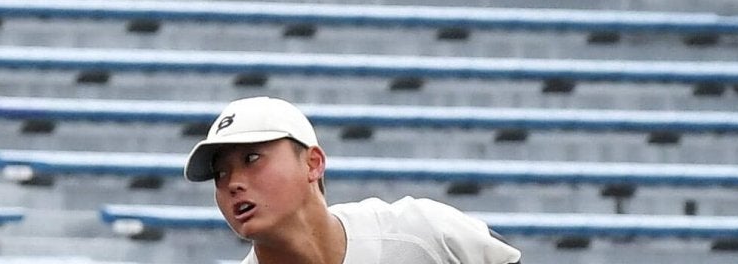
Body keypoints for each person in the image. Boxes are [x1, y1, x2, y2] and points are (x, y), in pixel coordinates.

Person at [184, 96, 522, 264]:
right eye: (220, 173)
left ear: (313, 163)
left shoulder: (423, 232)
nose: (233, 183)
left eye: (251, 159)